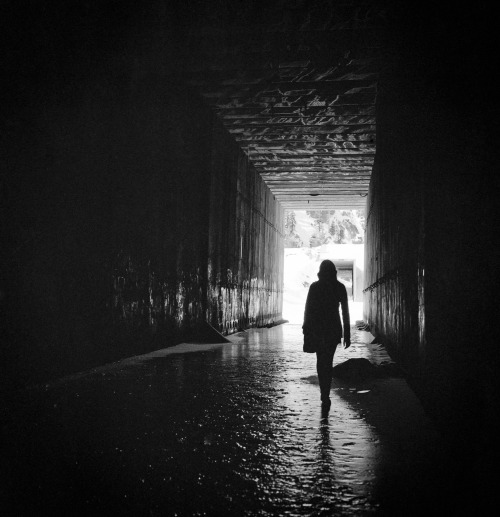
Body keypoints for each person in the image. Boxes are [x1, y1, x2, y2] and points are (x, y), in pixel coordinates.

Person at [303, 260, 351, 410]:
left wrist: (306, 328)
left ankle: (324, 393)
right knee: (328, 361)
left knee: (320, 360)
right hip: (333, 330)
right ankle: (326, 393)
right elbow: (345, 312)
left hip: (318, 330)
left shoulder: (315, 287)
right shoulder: (339, 287)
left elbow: (308, 309)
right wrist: (347, 335)